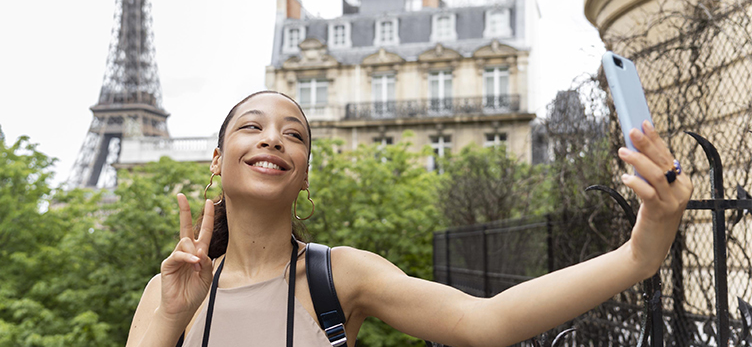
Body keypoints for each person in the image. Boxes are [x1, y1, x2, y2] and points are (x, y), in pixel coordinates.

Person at [125, 91, 693, 347]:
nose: (273, 136)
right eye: (252, 126)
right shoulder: (168, 290)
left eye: (293, 133)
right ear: (218, 161)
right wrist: (174, 315)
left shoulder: (340, 275)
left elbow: (486, 322)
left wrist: (639, 255)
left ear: (303, 175)